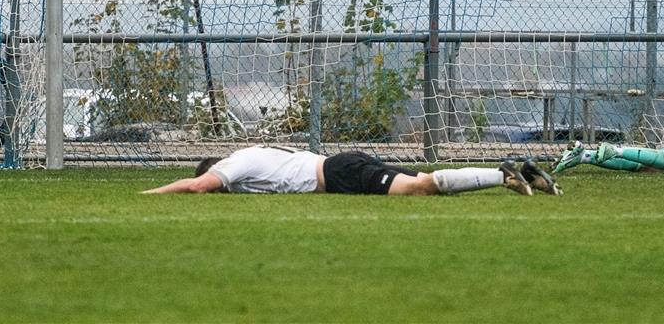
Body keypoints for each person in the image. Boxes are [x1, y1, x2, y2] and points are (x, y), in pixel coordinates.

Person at [142, 146, 560, 196]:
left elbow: (197, 186)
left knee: (417, 189)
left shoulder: (234, 164)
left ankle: (501, 175)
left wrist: (153, 194)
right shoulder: (251, 156)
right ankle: (520, 173)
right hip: (342, 162)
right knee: (420, 182)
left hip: (339, 174)